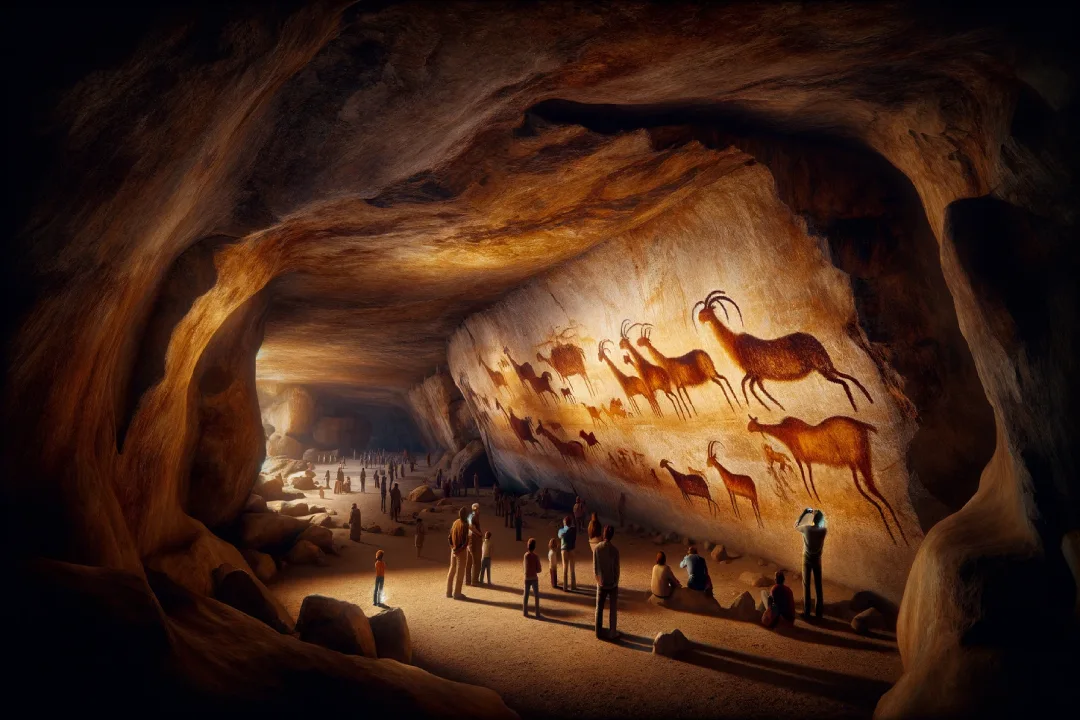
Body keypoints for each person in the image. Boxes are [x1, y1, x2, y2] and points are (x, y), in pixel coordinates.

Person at [795, 508, 828, 619]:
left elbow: (796, 525)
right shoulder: (823, 531)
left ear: (813, 519)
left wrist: (805, 513)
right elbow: (823, 524)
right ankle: (819, 613)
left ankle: (807, 612)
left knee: (806, 585)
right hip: (817, 559)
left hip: (807, 559)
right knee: (818, 586)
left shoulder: (806, 529)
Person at [593, 525, 621, 641]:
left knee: (599, 608)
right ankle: (612, 632)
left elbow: (595, 567)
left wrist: (598, 580)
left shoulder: (597, 548)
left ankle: (598, 632)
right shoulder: (615, 550)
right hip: (612, 583)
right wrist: (615, 581)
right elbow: (616, 568)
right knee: (613, 609)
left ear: (603, 534)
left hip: (601, 582)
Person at [446, 507, 469, 599]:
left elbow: (449, 537)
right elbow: (465, 541)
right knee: (460, 571)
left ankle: (448, 592)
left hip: (454, 550)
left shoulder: (455, 522)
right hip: (461, 552)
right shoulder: (465, 525)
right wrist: (459, 550)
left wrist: (453, 548)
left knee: (452, 570)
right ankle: (457, 593)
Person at [522, 537, 542, 618]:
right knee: (536, 595)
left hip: (527, 577)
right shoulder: (536, 556)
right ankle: (537, 612)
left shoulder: (525, 555)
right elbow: (539, 569)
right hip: (534, 577)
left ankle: (525, 611)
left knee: (526, 594)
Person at [558, 515, 578, 591]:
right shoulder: (574, 530)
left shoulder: (561, 531)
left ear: (564, 523)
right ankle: (573, 585)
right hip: (572, 549)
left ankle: (565, 587)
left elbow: (560, 536)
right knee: (572, 568)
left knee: (565, 568)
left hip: (564, 549)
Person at [465, 503, 482, 585]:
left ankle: (468, 580)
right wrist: (479, 534)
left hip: (469, 540)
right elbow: (471, 526)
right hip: (474, 540)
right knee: (476, 561)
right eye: (478, 509)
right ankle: (474, 580)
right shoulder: (473, 516)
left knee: (469, 561)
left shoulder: (470, 516)